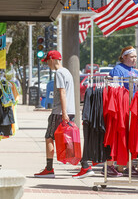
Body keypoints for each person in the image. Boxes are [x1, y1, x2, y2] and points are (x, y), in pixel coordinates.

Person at [34, 50, 95, 179]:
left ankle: (50, 169)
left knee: (49, 137)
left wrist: (64, 113)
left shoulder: (59, 73)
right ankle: (85, 165)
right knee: (68, 140)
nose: (48, 65)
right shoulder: (67, 72)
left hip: (60, 112)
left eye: (48, 62)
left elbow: (62, 93)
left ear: (52, 60)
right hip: (68, 110)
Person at [105, 46, 138, 177]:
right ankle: (112, 164)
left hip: (132, 106)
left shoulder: (133, 71)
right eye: (132, 57)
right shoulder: (118, 70)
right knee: (119, 136)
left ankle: (126, 165)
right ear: (124, 57)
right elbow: (115, 89)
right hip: (121, 106)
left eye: (135, 56)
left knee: (129, 137)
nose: (134, 59)